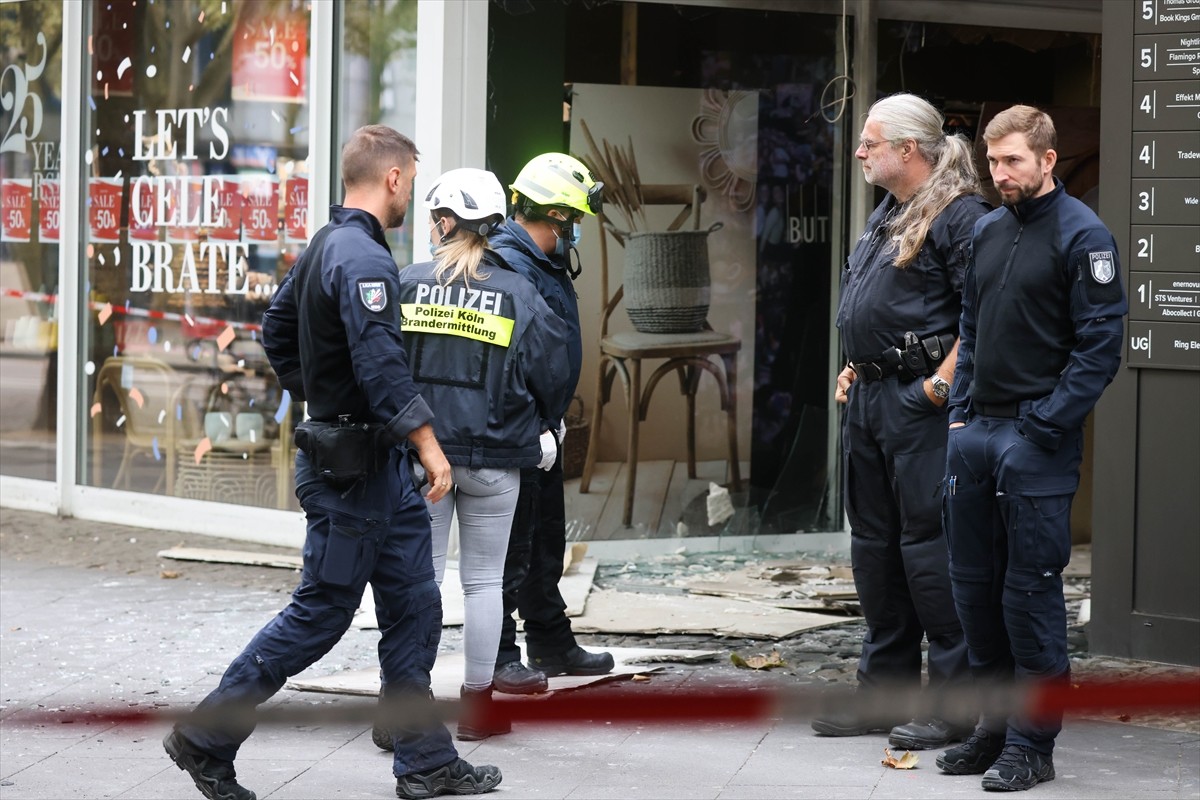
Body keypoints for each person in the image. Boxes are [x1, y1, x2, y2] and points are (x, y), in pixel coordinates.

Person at [162, 126, 501, 800]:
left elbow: (275, 329)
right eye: (409, 177)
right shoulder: (364, 259)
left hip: (373, 470)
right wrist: (427, 446)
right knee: (320, 614)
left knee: (414, 605)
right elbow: (381, 367)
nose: (410, 193)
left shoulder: (327, 245)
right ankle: (205, 737)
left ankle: (427, 762)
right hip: (353, 476)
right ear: (394, 179)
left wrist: (316, 392)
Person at [937, 105, 1126, 791]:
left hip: (1035, 441)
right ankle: (992, 730)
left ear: (1047, 161)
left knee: (1028, 597)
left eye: (1013, 160)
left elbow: (1101, 346)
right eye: (993, 162)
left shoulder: (1085, 236)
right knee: (975, 595)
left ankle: (1031, 746)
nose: (1000, 173)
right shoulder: (987, 231)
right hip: (976, 434)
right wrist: (959, 418)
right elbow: (972, 326)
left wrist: (1043, 428)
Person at [813, 93, 990, 750]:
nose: (859, 151)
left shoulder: (960, 215)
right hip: (872, 402)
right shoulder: (888, 212)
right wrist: (861, 365)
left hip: (919, 411)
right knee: (876, 555)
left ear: (909, 150)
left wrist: (938, 388)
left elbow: (983, 317)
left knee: (930, 555)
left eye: (870, 141)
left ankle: (953, 710)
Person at [393, 167, 573, 740]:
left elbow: (383, 368)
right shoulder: (519, 291)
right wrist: (545, 429)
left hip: (426, 461)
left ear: (447, 222)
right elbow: (553, 372)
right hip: (497, 462)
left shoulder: (408, 282)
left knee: (417, 582)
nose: (428, 226)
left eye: (433, 217)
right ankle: (478, 709)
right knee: (483, 584)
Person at [487, 153, 615, 694]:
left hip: (542, 427)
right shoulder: (507, 265)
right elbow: (504, 357)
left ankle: (550, 640)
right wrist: (530, 422)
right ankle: (496, 656)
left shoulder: (540, 261)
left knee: (543, 543)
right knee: (509, 552)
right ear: (555, 216)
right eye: (575, 221)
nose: (578, 231)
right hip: (515, 430)